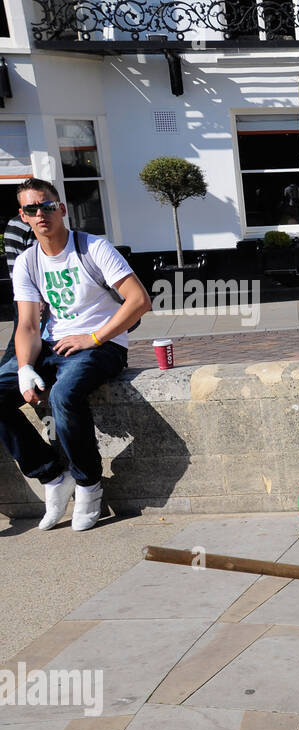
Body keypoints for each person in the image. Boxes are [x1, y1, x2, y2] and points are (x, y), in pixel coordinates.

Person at [0, 178, 151, 531]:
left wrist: (94, 337)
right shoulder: (27, 261)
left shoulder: (93, 247)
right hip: (53, 347)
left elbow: (139, 300)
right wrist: (24, 368)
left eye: (47, 206)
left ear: (62, 209)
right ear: (23, 216)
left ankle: (88, 483)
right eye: (32, 209)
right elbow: (27, 325)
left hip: (103, 345)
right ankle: (52, 476)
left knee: (66, 395)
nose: (41, 215)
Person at [3, 212, 36, 364]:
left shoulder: (13, 224)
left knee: (18, 342)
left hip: (21, 292)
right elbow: (34, 263)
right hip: (32, 296)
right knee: (20, 346)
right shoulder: (28, 226)